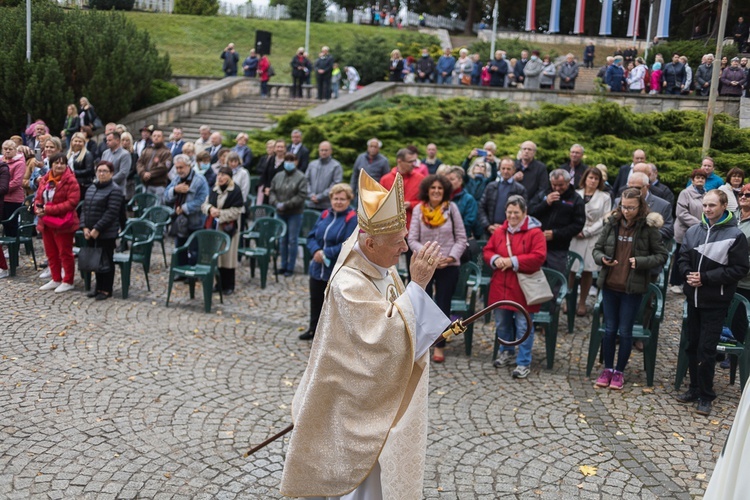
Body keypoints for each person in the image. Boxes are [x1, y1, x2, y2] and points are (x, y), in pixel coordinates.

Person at [281, 170, 449, 499]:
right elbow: (380, 341)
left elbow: (398, 321)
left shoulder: (382, 269)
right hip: (354, 406)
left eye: (404, 236)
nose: (405, 246)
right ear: (369, 243)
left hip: (374, 398)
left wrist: (415, 296)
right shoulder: (349, 284)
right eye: (397, 241)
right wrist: (417, 287)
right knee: (357, 483)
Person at [676, 189, 750, 416]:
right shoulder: (693, 231)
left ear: (723, 206)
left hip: (715, 301)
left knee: (707, 349)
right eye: (705, 205)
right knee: (692, 345)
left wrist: (706, 278)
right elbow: (682, 257)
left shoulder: (735, 235)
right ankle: (694, 387)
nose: (707, 209)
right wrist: (688, 273)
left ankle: (706, 396)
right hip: (693, 298)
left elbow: (739, 269)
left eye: (712, 206)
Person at [592, 188, 668, 390]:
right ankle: (607, 368)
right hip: (609, 285)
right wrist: (602, 259)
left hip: (632, 289)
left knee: (625, 331)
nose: (627, 211)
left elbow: (662, 255)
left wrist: (641, 261)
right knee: (609, 330)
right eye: (624, 207)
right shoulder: (612, 223)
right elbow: (597, 249)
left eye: (631, 208)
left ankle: (619, 371)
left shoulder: (648, 227)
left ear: (640, 206)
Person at [484, 195, 546, 379]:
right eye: (509, 212)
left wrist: (512, 261)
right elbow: (487, 250)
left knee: (523, 326)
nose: (512, 216)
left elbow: (538, 257)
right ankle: (507, 352)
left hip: (522, 290)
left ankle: (523, 361)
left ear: (525, 213)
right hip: (500, 286)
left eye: (516, 213)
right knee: (502, 323)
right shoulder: (499, 232)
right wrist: (495, 259)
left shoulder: (535, 233)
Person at [408, 174, 467, 363]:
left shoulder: (452, 209)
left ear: (445, 191)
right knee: (421, 302)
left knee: (443, 303)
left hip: (447, 264)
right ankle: (420, 340)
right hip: (425, 264)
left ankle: (440, 344)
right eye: (433, 188)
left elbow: (461, 238)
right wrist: (429, 257)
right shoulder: (418, 210)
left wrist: (449, 258)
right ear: (427, 190)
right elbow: (412, 240)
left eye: (440, 188)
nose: (436, 191)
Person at [299, 183, 358, 341]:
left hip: (336, 269)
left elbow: (349, 243)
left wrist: (326, 253)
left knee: (335, 305)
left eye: (342, 199)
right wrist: (316, 251)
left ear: (348, 200)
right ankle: (314, 330)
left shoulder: (352, 218)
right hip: (318, 267)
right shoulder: (325, 214)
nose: (338, 202)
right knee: (316, 300)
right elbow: (311, 236)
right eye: (335, 198)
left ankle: (333, 337)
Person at [35, 152, 81, 293]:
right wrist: (38, 208)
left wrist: (48, 209)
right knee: (51, 252)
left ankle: (68, 280)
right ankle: (56, 278)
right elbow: (38, 198)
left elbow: (72, 202)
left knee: (65, 252)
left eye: (62, 163)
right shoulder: (45, 179)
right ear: (51, 164)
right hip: (46, 221)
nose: (59, 165)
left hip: (63, 223)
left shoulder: (71, 180)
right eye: (56, 163)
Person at [569, 167, 612, 315]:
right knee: (571, 270)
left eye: (596, 178)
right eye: (590, 178)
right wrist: (575, 229)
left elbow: (605, 219)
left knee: (587, 270)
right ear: (585, 179)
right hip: (575, 235)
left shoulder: (605, 197)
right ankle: (568, 300)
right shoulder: (575, 193)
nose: (593, 181)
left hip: (592, 236)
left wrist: (587, 231)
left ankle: (582, 302)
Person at [528, 169, 586, 275]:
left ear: (568, 182)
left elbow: (578, 225)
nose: (557, 188)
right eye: (554, 185)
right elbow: (530, 212)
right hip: (537, 245)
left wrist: (555, 234)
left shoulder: (576, 199)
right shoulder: (543, 193)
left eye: (561, 185)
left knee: (554, 280)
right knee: (534, 279)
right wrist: (545, 203)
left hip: (558, 249)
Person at [80, 160, 123, 301]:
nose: (102, 173)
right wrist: (85, 226)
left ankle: (106, 289)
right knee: (96, 261)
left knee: (106, 261)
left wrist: (97, 228)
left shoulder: (115, 189)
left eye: (105, 171)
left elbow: (111, 212)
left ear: (111, 173)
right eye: (99, 171)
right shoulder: (92, 187)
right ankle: (98, 287)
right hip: (91, 231)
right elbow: (85, 208)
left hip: (106, 233)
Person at [202, 166, 243, 295]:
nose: (220, 177)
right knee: (217, 257)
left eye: (223, 175)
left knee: (228, 257)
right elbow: (205, 204)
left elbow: (237, 211)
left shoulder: (235, 190)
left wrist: (220, 213)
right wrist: (210, 210)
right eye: (219, 175)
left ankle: (229, 285)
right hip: (214, 227)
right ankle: (218, 283)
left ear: (229, 177)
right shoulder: (214, 189)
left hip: (229, 228)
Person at [163, 155, 210, 268]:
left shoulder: (200, 180)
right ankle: (181, 271)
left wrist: (184, 208)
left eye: (181, 167)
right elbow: (165, 196)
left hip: (196, 221)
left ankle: (193, 273)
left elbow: (203, 201)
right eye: (177, 168)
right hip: (180, 222)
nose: (179, 170)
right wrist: (174, 190)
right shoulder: (177, 179)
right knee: (180, 248)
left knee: (194, 249)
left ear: (189, 166)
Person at [269, 153, 307, 277]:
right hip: (280, 212)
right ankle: (283, 265)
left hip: (294, 213)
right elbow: (272, 191)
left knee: (292, 240)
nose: (289, 162)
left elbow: (301, 195)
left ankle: (290, 267)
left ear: (296, 162)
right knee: (282, 240)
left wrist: (286, 204)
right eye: (287, 160)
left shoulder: (301, 177)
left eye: (292, 160)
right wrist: (276, 203)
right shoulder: (278, 175)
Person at [670, 169, 707, 294]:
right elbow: (681, 213)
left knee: (693, 258)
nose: (700, 180)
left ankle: (687, 282)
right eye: (698, 177)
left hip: (700, 232)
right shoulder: (685, 193)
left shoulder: (706, 194)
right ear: (692, 180)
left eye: (702, 178)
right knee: (680, 257)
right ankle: (675, 282)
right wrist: (699, 223)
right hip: (685, 231)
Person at [477, 158, 527, 236]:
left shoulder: (520, 189)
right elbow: (481, 207)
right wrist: (488, 225)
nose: (505, 171)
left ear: (514, 170)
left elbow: (523, 212)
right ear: (499, 169)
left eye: (508, 169)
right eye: (503, 168)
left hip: (511, 232)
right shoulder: (491, 186)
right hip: (490, 231)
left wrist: (505, 227)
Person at [380, 148, 424, 234]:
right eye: (410, 162)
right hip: (391, 229)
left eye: (415, 161)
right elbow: (379, 204)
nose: (413, 165)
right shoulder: (385, 180)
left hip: (414, 228)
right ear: (399, 161)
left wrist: (411, 204)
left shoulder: (421, 179)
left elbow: (427, 202)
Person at [444, 165, 479, 240]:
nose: (448, 183)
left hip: (461, 238)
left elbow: (469, 222)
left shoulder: (468, 199)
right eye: (446, 180)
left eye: (452, 179)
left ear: (460, 181)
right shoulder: (442, 198)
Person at [305, 141, 343, 211]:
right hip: (311, 204)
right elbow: (306, 181)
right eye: (321, 150)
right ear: (319, 151)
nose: (323, 152)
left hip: (327, 205)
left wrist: (320, 196)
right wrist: (311, 195)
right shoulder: (312, 164)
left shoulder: (336, 166)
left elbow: (336, 184)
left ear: (331, 151)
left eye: (326, 150)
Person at [136, 129, 172, 201]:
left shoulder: (166, 152)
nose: (156, 137)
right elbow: (139, 163)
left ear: (163, 138)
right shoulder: (147, 150)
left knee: (156, 208)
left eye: (158, 136)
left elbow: (164, 167)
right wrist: (143, 173)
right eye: (154, 136)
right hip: (145, 184)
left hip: (158, 185)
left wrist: (150, 174)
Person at [1, 141, 27, 238]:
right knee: (4, 223)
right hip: (2, 198)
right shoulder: (1, 161)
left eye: (10, 149)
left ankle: (14, 246)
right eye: (5, 149)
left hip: (13, 199)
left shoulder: (20, 163)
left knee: (12, 224)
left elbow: (17, 182)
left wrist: (2, 189)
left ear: (15, 150)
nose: (7, 151)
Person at [67, 132, 94, 201]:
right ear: (71, 142)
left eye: (80, 141)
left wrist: (73, 173)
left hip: (82, 185)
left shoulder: (87, 154)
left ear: (84, 143)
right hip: (70, 183)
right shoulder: (69, 154)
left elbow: (89, 170)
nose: (77, 143)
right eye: (75, 141)